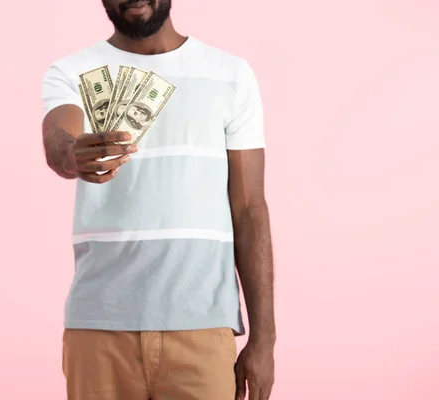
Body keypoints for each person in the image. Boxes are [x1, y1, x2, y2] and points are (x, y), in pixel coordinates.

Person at [41, 0, 276, 399]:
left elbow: (250, 208)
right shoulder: (70, 71)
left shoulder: (230, 74)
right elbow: (57, 139)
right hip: (99, 326)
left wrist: (264, 339)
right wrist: (70, 153)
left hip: (202, 325)